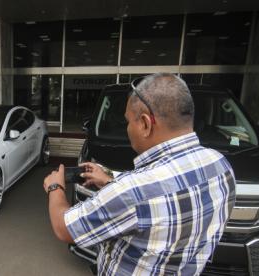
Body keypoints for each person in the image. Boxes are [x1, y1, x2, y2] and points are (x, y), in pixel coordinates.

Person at [43, 73, 236, 275]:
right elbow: (162, 198)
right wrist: (110, 181)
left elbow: (64, 228)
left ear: (145, 123)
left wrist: (55, 187)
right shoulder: (220, 166)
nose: (127, 128)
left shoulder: (131, 190)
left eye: (128, 121)